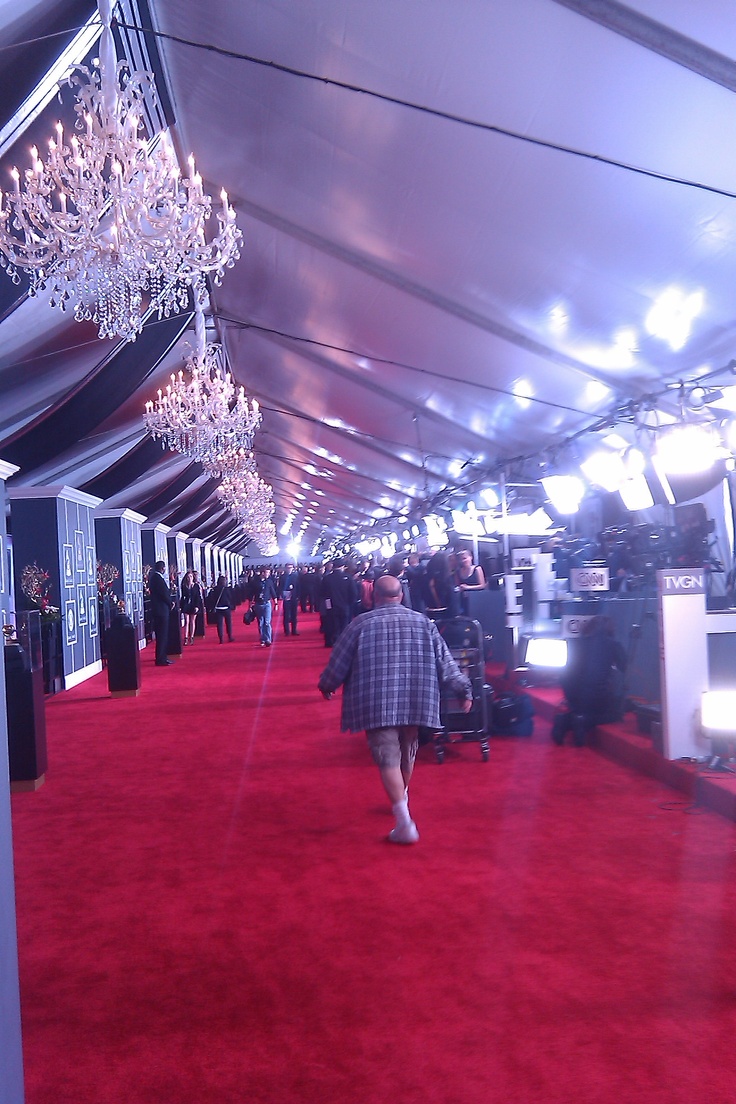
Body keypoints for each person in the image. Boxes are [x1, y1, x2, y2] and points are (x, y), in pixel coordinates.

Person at [317, 574, 473, 844]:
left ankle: (404, 822)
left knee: (387, 756)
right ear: (401, 595)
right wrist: (464, 689)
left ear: (373, 596)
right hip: (416, 697)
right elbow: (446, 663)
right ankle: (401, 797)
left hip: (375, 701)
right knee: (407, 752)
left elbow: (339, 662)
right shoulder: (424, 623)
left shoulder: (359, 624)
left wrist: (327, 685)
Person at [554, 615, 627, 746]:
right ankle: (583, 721)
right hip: (596, 694)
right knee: (615, 714)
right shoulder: (613, 645)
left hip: (571, 693)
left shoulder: (574, 642)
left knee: (582, 708)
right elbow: (625, 667)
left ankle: (565, 720)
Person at [148, 560, 174, 666]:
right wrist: (170, 603)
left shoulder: (154, 578)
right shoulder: (158, 579)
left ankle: (162, 656)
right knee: (162, 635)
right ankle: (161, 659)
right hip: (161, 611)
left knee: (161, 635)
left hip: (159, 610)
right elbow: (163, 594)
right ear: (162, 568)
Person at [424, 550, 460, 619]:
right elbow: (452, 602)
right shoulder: (446, 579)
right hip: (445, 614)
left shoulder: (425, 578)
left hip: (429, 613)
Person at [252, 566, 279, 646]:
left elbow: (273, 592)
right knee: (260, 623)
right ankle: (263, 639)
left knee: (267, 622)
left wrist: (276, 603)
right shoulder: (255, 582)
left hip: (267, 603)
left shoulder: (269, 582)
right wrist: (250, 605)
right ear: (262, 573)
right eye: (267, 572)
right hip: (258, 604)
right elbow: (251, 594)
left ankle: (268, 639)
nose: (268, 574)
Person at [180, 570, 203, 645]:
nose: (189, 578)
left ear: (193, 577)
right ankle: (186, 638)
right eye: (188, 577)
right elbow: (182, 597)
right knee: (187, 622)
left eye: (191, 576)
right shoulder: (184, 586)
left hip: (194, 605)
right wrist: (181, 605)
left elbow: (198, 597)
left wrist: (197, 606)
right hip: (186, 605)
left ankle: (192, 637)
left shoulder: (196, 586)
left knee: (192, 621)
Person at [210, 574, 235, 643]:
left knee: (219, 624)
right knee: (228, 623)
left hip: (218, 608)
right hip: (226, 608)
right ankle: (230, 637)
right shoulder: (227, 589)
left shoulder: (215, 589)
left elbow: (212, 599)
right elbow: (230, 597)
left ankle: (221, 639)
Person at [279, 563, 300, 636]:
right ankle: (287, 631)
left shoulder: (295, 576)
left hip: (294, 596)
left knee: (294, 614)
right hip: (286, 596)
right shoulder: (282, 577)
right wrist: (281, 595)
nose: (289, 569)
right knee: (286, 614)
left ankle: (294, 630)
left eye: (290, 567)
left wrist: (297, 595)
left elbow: (298, 586)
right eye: (288, 568)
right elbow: (280, 587)